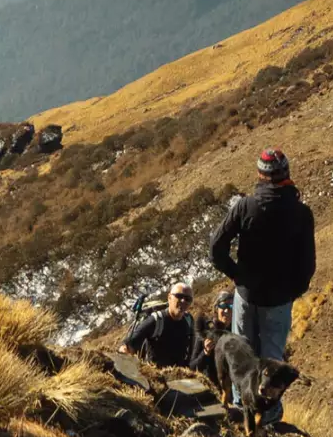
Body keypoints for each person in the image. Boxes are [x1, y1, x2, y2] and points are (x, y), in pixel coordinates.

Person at [207, 148, 315, 369]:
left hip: (247, 294)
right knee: (272, 362)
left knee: (241, 358)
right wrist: (293, 292)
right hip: (279, 299)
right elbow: (307, 264)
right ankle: (269, 404)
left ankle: (240, 403)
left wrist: (237, 275)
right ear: (286, 173)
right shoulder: (301, 213)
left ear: (260, 175)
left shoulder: (247, 206)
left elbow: (215, 247)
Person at [121, 282, 200, 367]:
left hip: (179, 375)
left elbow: (192, 352)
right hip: (156, 376)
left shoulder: (189, 321)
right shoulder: (156, 320)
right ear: (169, 297)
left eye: (188, 299)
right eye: (179, 296)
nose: (183, 301)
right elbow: (127, 347)